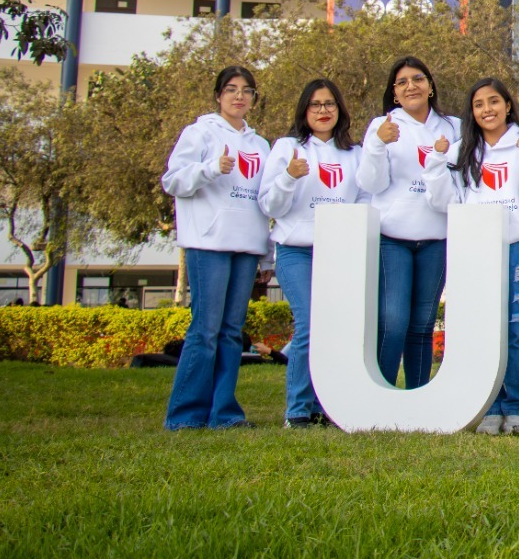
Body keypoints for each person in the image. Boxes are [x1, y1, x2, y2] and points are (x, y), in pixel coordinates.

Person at [426, 77, 519, 436]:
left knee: (517, 328)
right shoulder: (463, 150)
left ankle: (517, 408)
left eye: (494, 101)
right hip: (477, 248)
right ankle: (490, 408)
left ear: (507, 106)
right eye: (478, 104)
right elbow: (443, 202)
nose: (487, 109)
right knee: (482, 330)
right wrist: (435, 162)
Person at [160, 66, 270, 430]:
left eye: (246, 90)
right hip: (208, 243)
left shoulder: (260, 145)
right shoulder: (199, 132)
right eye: (231, 89)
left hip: (246, 246)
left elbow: (263, 201)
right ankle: (185, 416)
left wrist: (266, 253)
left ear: (254, 98)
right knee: (205, 330)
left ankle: (224, 413)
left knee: (231, 332)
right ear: (218, 96)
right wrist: (210, 168)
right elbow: (173, 181)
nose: (239, 96)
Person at [258, 78, 363, 428]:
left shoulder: (354, 153)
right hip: (296, 251)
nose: (323, 110)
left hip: (339, 252)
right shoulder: (287, 148)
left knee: (335, 329)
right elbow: (269, 205)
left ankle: (325, 405)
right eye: (315, 104)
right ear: (304, 110)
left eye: (329, 103)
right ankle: (297, 410)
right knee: (310, 323)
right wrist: (288, 177)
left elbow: (364, 200)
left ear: (340, 109)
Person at [357, 57, 459, 390]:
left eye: (417, 79)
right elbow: (370, 184)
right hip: (393, 239)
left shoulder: (454, 127)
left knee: (423, 324)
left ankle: (418, 395)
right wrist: (377, 144)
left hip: (437, 237)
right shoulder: (382, 126)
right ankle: (381, 393)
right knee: (393, 320)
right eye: (402, 82)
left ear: (430, 86)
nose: (410, 86)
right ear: (394, 93)